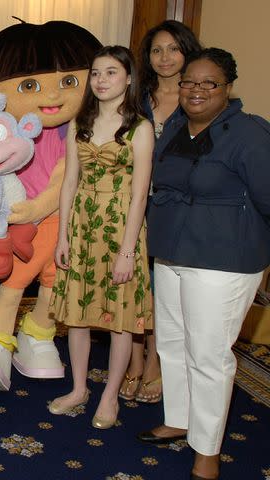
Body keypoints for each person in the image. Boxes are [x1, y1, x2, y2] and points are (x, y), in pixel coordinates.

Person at [138, 47, 270, 479]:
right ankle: (179, 419)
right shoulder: (176, 124)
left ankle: (208, 450)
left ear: (227, 88)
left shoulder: (249, 134)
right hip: (173, 250)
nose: (195, 90)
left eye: (207, 83)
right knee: (172, 343)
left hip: (223, 259)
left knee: (209, 355)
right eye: (188, 82)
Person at [0, 20, 102, 391]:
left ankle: (38, 335)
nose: (53, 95)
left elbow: (63, 180)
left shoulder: (76, 134)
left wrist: (35, 210)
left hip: (62, 222)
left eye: (69, 82)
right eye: (31, 85)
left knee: (54, 284)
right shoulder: (10, 131)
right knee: (12, 283)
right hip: (22, 228)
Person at [49, 45, 154, 428]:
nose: (101, 80)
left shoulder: (140, 127)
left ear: (128, 78)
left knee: (120, 319)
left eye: (111, 72)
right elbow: (68, 183)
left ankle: (110, 396)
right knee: (77, 315)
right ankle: (79, 389)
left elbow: (141, 193)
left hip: (120, 228)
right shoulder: (80, 123)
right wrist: (62, 236)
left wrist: (127, 251)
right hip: (81, 225)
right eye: (95, 73)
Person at [119, 20, 201, 403]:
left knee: (160, 288)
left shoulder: (198, 99)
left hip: (173, 206)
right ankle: (133, 361)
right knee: (133, 283)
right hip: (130, 202)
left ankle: (155, 363)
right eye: (156, 50)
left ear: (187, 51)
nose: (165, 57)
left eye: (173, 48)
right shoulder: (136, 98)